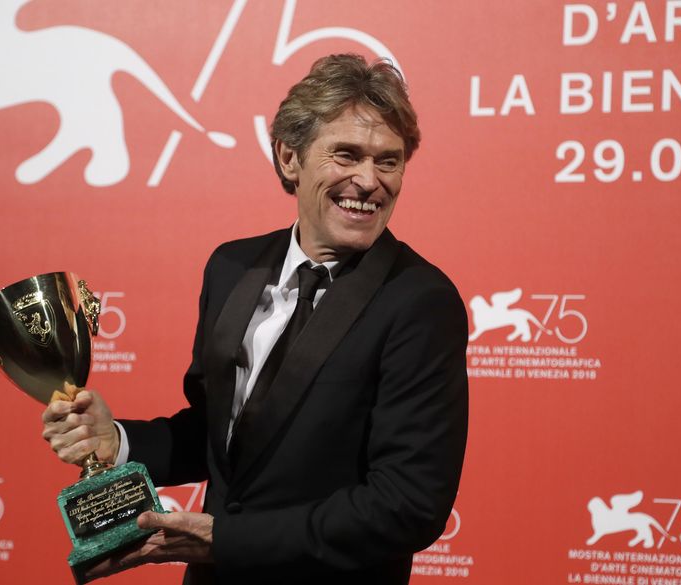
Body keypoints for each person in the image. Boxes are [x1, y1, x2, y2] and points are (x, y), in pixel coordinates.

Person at [42, 53, 468, 584]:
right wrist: (121, 442)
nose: (369, 180)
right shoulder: (232, 266)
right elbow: (222, 436)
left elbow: (407, 505)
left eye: (388, 160)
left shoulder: (420, 302)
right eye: (346, 155)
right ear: (290, 158)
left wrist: (225, 539)